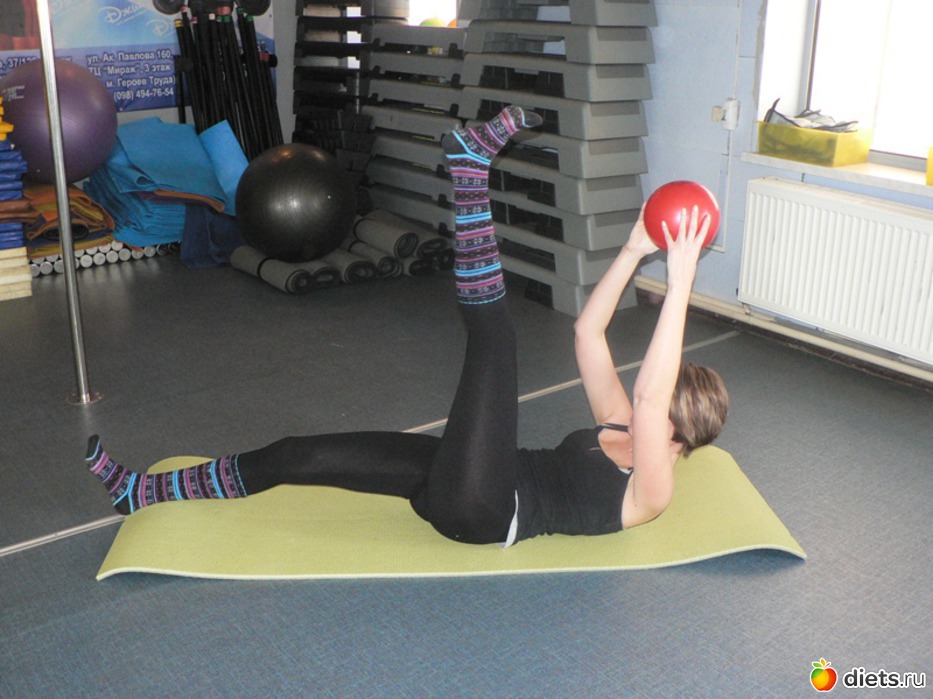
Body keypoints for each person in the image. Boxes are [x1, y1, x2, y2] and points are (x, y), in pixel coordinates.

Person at [85, 106, 729, 546]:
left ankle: (470, 172)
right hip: (465, 473)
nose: (645, 401)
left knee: (496, 339)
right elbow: (588, 334)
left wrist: (680, 283)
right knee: (295, 453)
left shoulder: (654, 488)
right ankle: (142, 493)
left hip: (486, 511)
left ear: (676, 428)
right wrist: (634, 249)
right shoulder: (621, 421)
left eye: (659, 403)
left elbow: (651, 395)